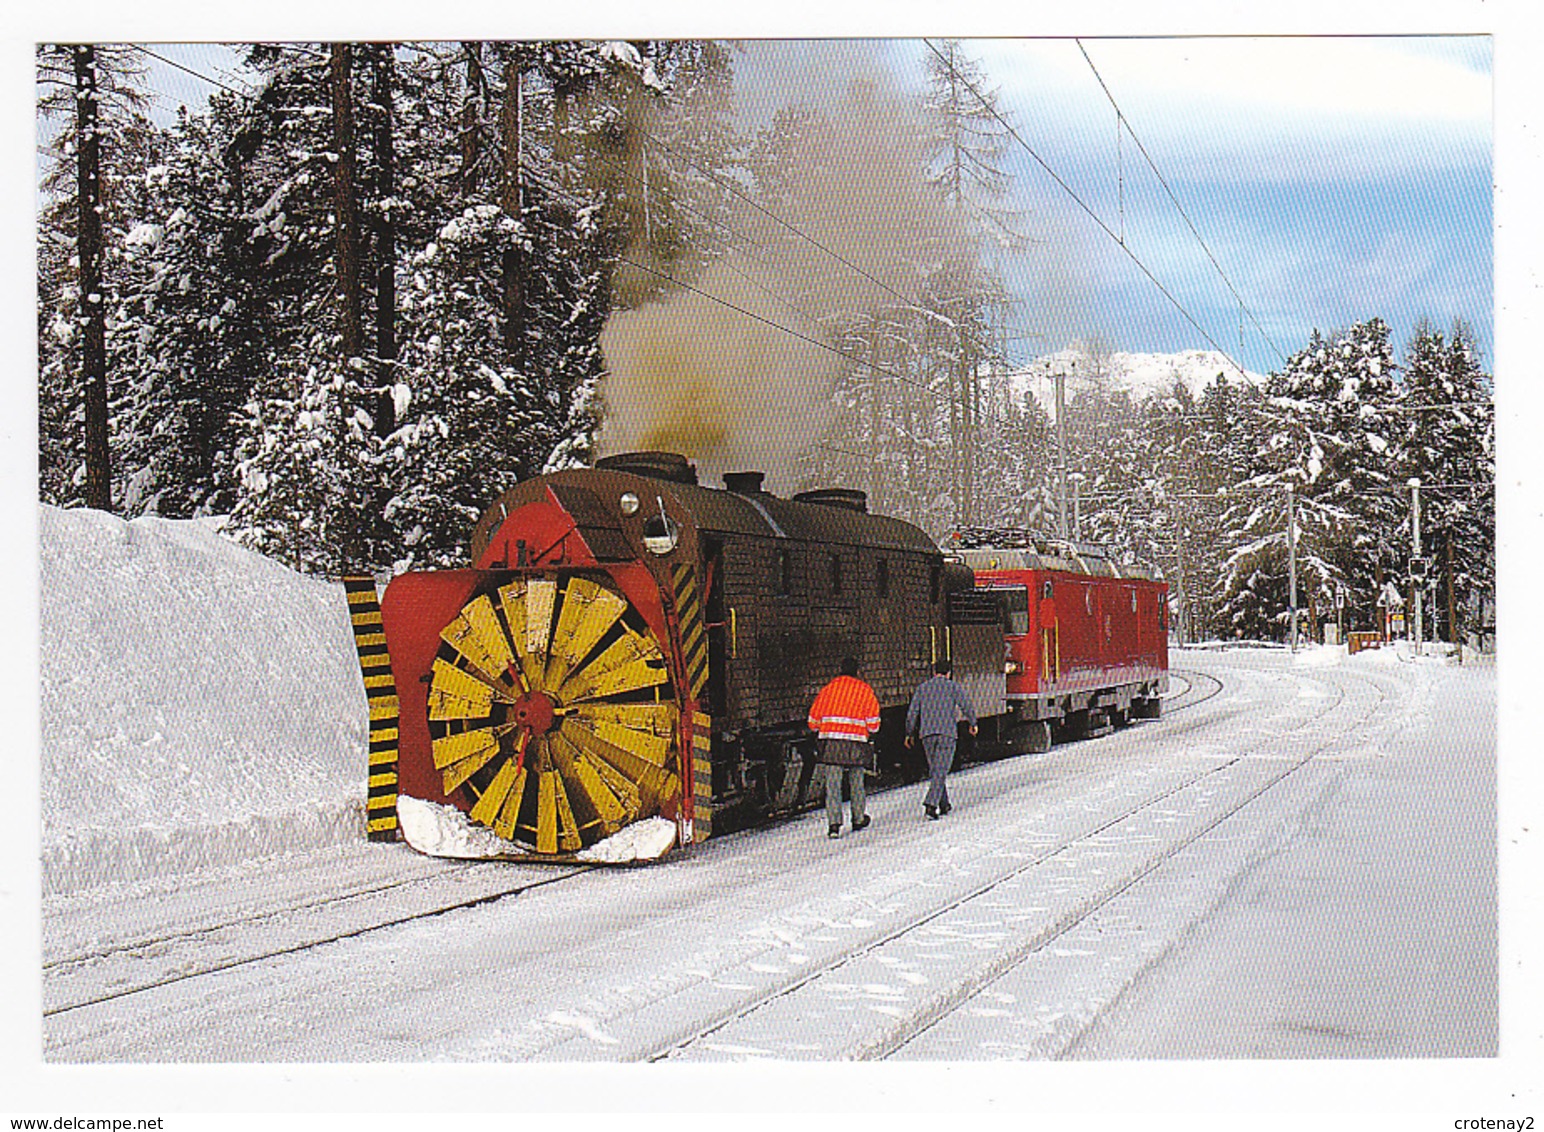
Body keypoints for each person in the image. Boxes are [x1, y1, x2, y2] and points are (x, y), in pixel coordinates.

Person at [807, 656, 881, 839]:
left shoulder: (827, 690)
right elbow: (873, 725)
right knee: (856, 782)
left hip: (831, 743)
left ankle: (834, 825)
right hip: (856, 743)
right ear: (857, 672)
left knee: (833, 785)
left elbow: (813, 723)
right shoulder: (864, 690)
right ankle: (858, 818)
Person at [905, 657, 978, 820]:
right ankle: (931, 804)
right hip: (947, 734)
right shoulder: (953, 687)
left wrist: (909, 733)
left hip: (927, 735)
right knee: (941, 770)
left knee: (936, 770)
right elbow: (966, 705)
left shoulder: (922, 688)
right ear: (949, 673)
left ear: (934, 671)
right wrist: (972, 723)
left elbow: (912, 713)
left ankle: (944, 804)